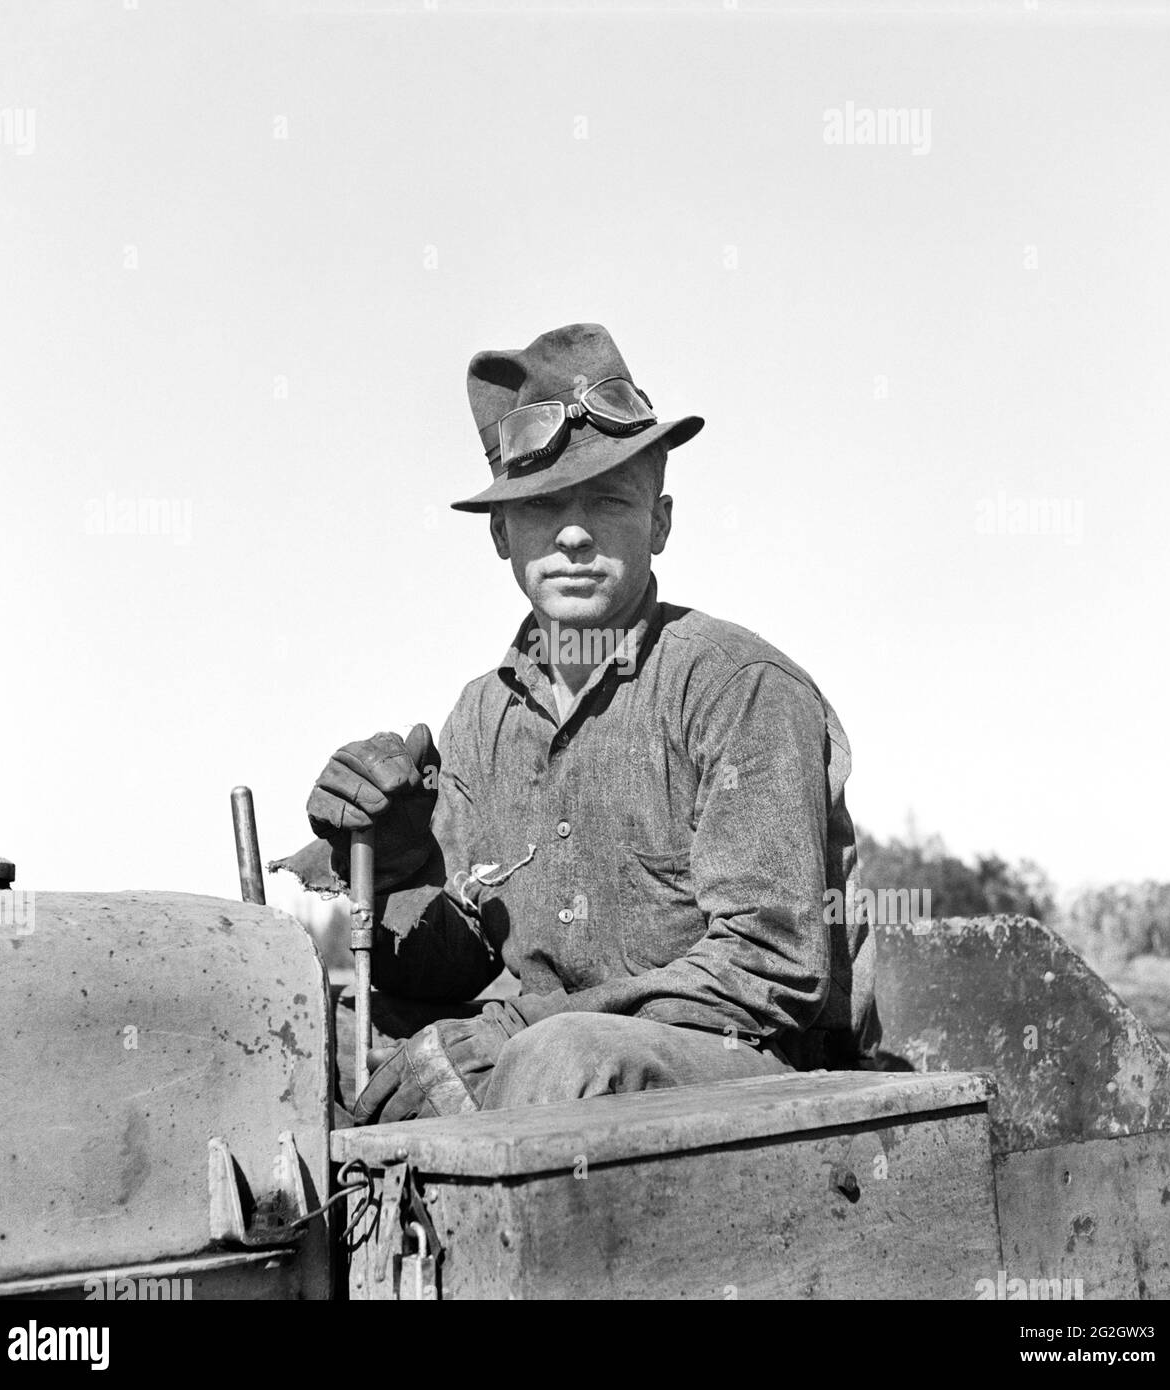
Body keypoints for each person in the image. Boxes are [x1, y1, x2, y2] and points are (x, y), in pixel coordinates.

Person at [275, 323, 877, 1124]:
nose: (572, 532)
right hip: (547, 1071)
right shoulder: (482, 716)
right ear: (501, 535)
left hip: (751, 1075)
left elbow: (769, 968)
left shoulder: (737, 686)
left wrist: (526, 1028)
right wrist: (393, 871)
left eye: (608, 500)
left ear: (659, 523)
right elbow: (454, 967)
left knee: (562, 1061)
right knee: (298, 1039)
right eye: (543, 506)